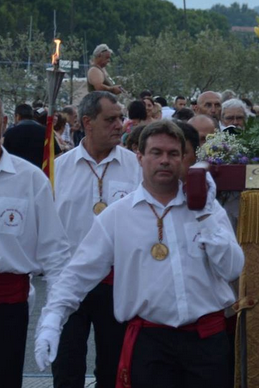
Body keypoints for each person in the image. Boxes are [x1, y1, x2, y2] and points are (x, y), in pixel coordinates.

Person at [35, 120, 243, 388]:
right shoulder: (117, 216)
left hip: (206, 342)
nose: (164, 161)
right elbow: (78, 273)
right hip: (150, 345)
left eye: (173, 154)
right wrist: (52, 321)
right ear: (140, 157)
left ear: (183, 159)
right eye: (156, 153)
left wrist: (205, 217)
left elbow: (232, 269)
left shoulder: (208, 210)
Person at [51, 91, 143, 388]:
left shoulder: (136, 167)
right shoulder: (58, 169)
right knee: (66, 366)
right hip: (71, 283)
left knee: (114, 368)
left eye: (121, 118)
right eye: (111, 119)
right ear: (87, 122)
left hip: (118, 284)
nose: (120, 125)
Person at [0, 98, 71, 388]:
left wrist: (53, 315)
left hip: (7, 306)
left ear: (4, 124)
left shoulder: (30, 179)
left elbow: (54, 251)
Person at [3, 103, 54, 168]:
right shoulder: (45, 131)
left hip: (16, 172)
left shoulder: (10, 133)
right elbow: (56, 154)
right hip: (40, 173)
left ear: (17, 116)